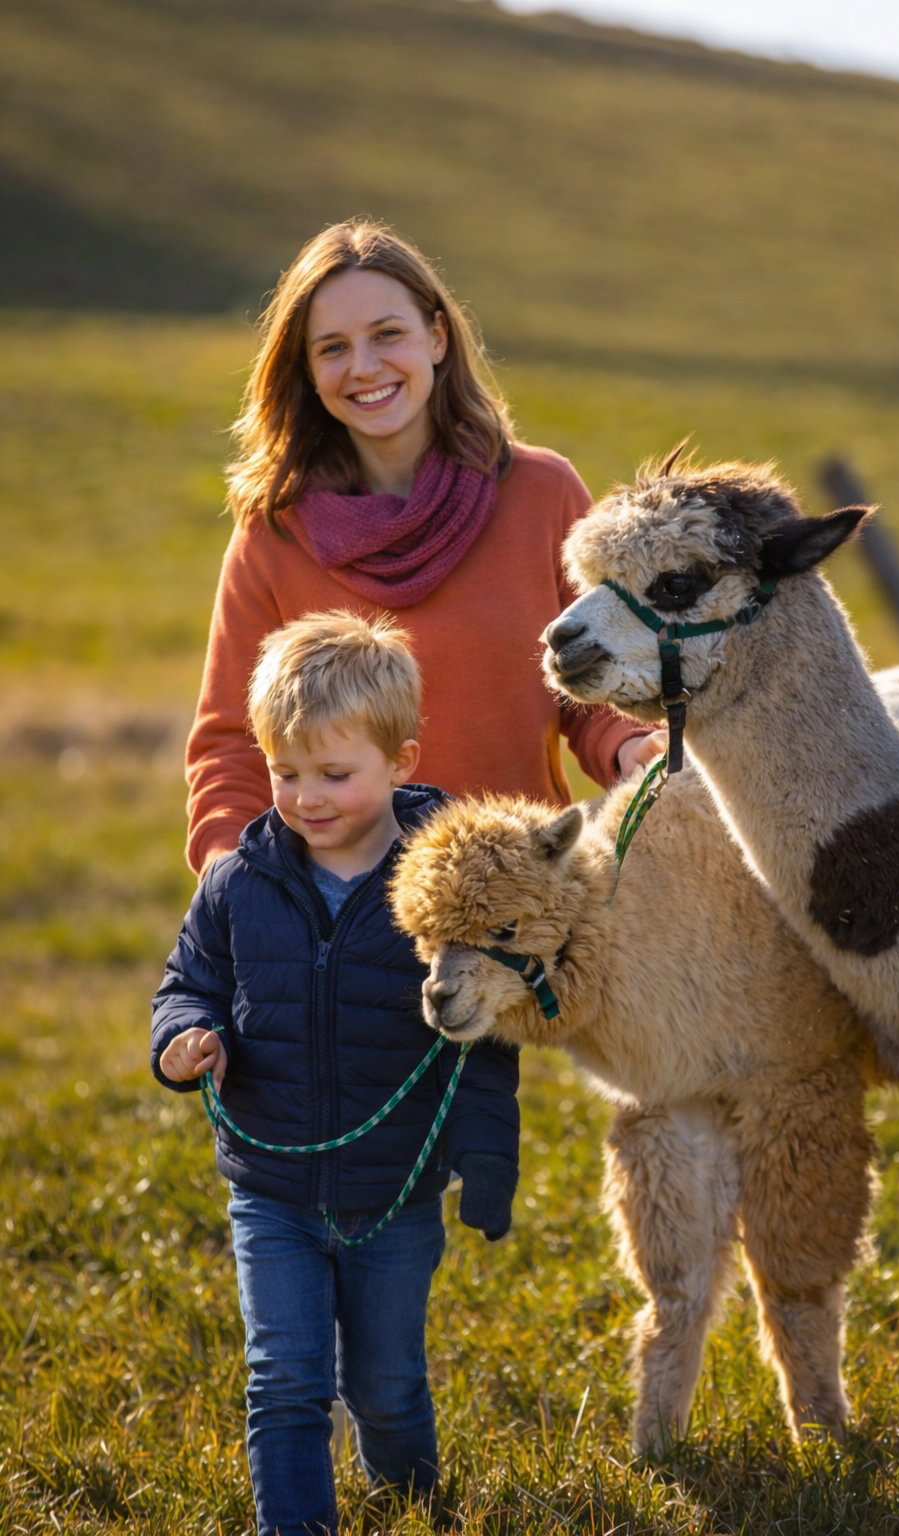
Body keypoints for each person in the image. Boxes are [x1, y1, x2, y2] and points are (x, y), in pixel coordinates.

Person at [152, 610, 519, 1536]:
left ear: (401, 762)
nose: (306, 797)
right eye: (285, 773)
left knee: (387, 1389)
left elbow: (484, 1045)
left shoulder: (442, 890)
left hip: (395, 1190)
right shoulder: (239, 880)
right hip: (271, 1188)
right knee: (284, 1380)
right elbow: (187, 980)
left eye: (334, 774)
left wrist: (489, 1163)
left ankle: (411, 1501)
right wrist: (185, 1037)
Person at [185, 217, 661, 878]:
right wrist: (229, 878)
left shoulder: (542, 492)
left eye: (387, 335)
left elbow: (594, 689)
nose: (364, 367)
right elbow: (231, 745)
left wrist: (635, 750)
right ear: (308, 371)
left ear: (437, 336)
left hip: (516, 898)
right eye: (332, 348)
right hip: (339, 917)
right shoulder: (274, 532)